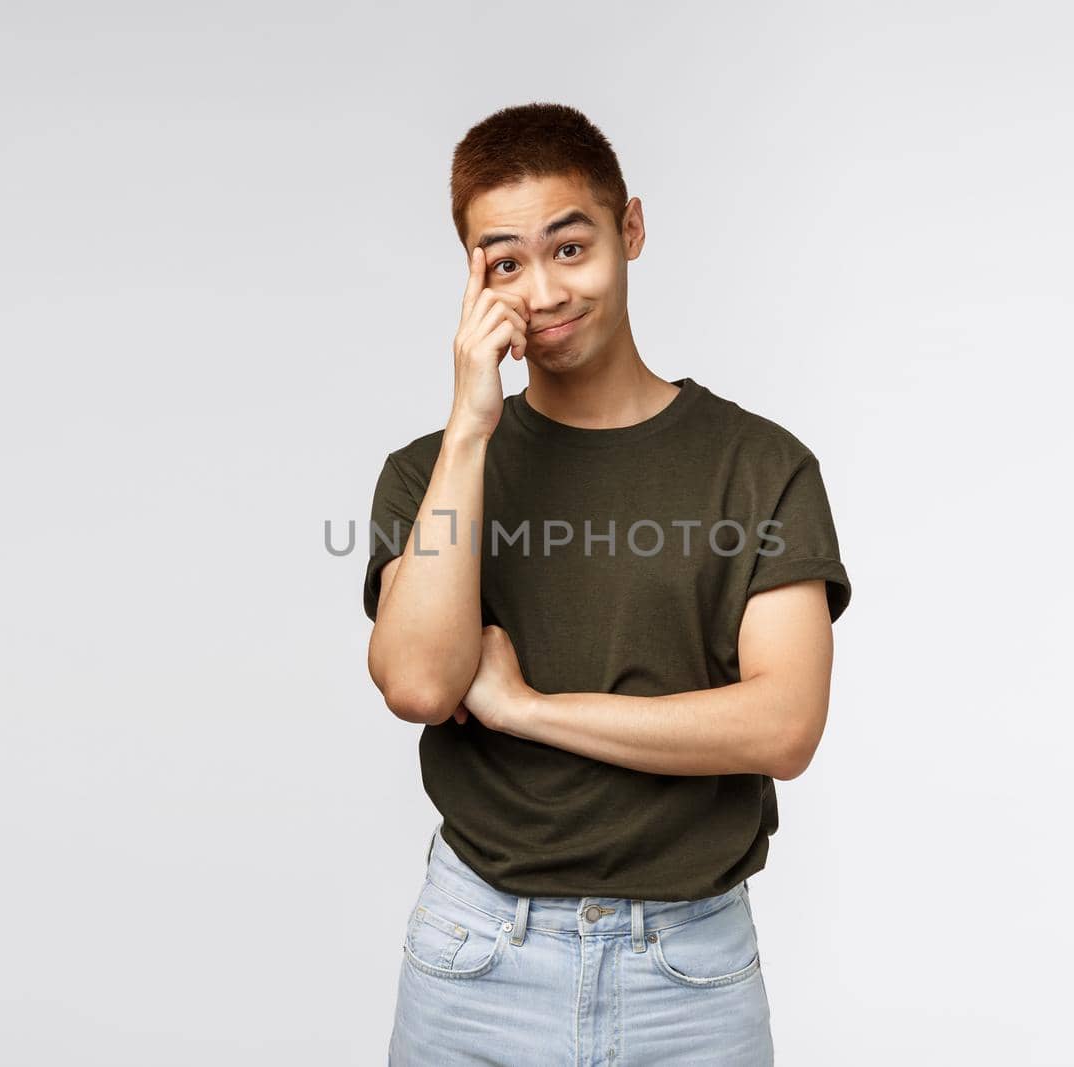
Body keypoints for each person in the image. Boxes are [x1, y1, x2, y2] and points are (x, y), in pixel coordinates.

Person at [364, 102, 852, 1066]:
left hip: (688, 972)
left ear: (629, 229)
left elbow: (784, 725)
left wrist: (525, 709)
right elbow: (418, 684)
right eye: (504, 262)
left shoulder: (759, 466)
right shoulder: (429, 474)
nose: (542, 290)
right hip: (476, 961)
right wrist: (471, 426)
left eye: (570, 246)